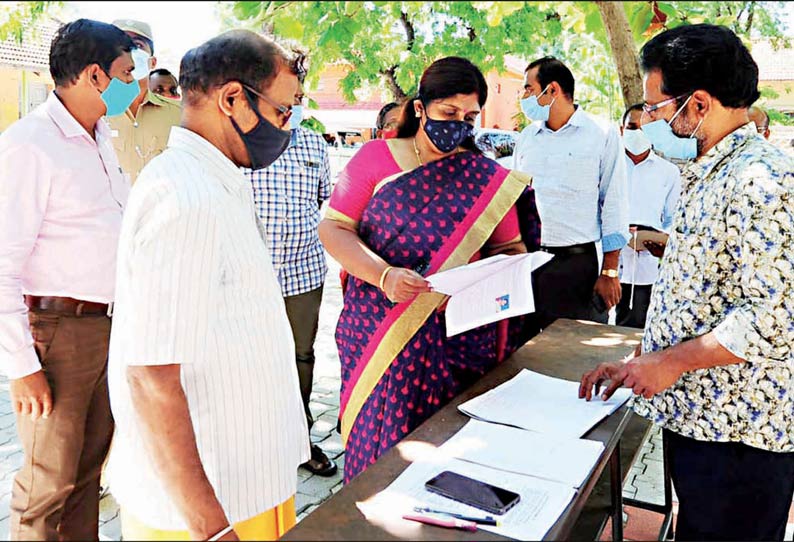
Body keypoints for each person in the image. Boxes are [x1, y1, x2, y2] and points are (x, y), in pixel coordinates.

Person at [579, 24, 794, 541]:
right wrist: (644, 360)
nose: (647, 121)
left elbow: (774, 319)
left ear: (697, 104)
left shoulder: (760, 181)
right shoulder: (707, 172)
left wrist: (671, 360)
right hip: (700, 418)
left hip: (740, 436)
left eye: (655, 108)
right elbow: (706, 290)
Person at [106, 30, 309, 540]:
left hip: (247, 487)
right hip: (209, 511)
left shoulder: (215, 182)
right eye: (285, 111)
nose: (290, 126)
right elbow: (151, 377)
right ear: (233, 99)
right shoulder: (185, 196)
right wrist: (213, 530)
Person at [319, 56, 541, 483]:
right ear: (420, 109)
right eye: (448, 113)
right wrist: (384, 275)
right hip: (378, 329)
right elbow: (334, 228)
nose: (459, 125)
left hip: (455, 336)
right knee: (378, 451)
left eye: (470, 116)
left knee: (443, 453)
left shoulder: (484, 178)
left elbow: (510, 248)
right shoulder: (375, 158)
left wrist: (489, 273)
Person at [0, 19, 135, 540]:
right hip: (57, 334)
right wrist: (21, 367)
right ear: (95, 74)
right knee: (46, 485)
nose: (134, 85)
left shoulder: (100, 137)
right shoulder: (30, 144)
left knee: (86, 476)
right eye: (125, 73)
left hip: (105, 328)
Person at [244, 58, 337, 477]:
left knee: (301, 356)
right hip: (248, 276)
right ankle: (250, 442)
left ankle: (298, 439)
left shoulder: (314, 144)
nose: (295, 105)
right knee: (247, 359)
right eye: (289, 97)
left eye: (300, 97)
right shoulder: (241, 144)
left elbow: (323, 202)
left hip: (304, 272)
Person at [512, 56, 629, 327]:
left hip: (576, 265)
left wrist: (610, 270)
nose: (524, 96)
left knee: (574, 353)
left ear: (552, 90)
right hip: (529, 262)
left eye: (529, 88)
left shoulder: (601, 133)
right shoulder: (527, 138)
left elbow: (614, 202)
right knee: (527, 351)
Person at [614, 103, 680, 328]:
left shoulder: (668, 172)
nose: (639, 132)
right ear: (621, 129)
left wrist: (656, 237)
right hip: (609, 266)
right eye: (633, 126)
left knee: (640, 329)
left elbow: (673, 219)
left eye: (646, 127)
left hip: (647, 268)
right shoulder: (608, 168)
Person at [108, 19, 181, 184]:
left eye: (138, 45)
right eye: (120, 45)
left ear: (152, 62)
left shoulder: (179, 114)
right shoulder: (93, 114)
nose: (128, 52)